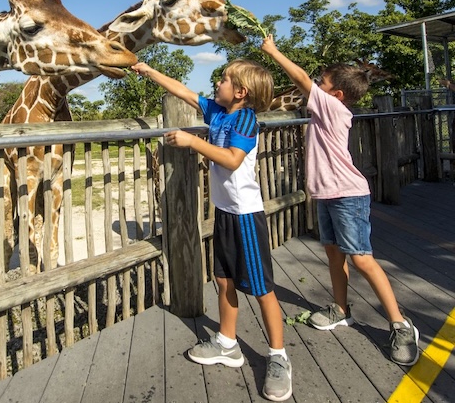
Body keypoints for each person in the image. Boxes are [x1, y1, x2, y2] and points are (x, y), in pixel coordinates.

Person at [131, 59, 292, 401]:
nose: (216, 83)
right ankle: (228, 343)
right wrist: (148, 71)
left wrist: (191, 142)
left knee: (262, 288)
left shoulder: (245, 118)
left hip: (246, 215)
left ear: (240, 92)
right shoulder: (217, 111)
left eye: (223, 79)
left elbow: (233, 159)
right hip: (225, 211)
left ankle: (278, 355)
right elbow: (183, 91)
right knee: (224, 279)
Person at [260, 34, 420, 366]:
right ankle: (341, 309)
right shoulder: (326, 110)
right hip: (328, 195)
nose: (316, 85)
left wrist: (273, 52)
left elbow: (301, 79)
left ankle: (400, 324)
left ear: (337, 94)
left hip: (347, 195)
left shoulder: (332, 108)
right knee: (333, 254)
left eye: (323, 82)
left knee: (361, 259)